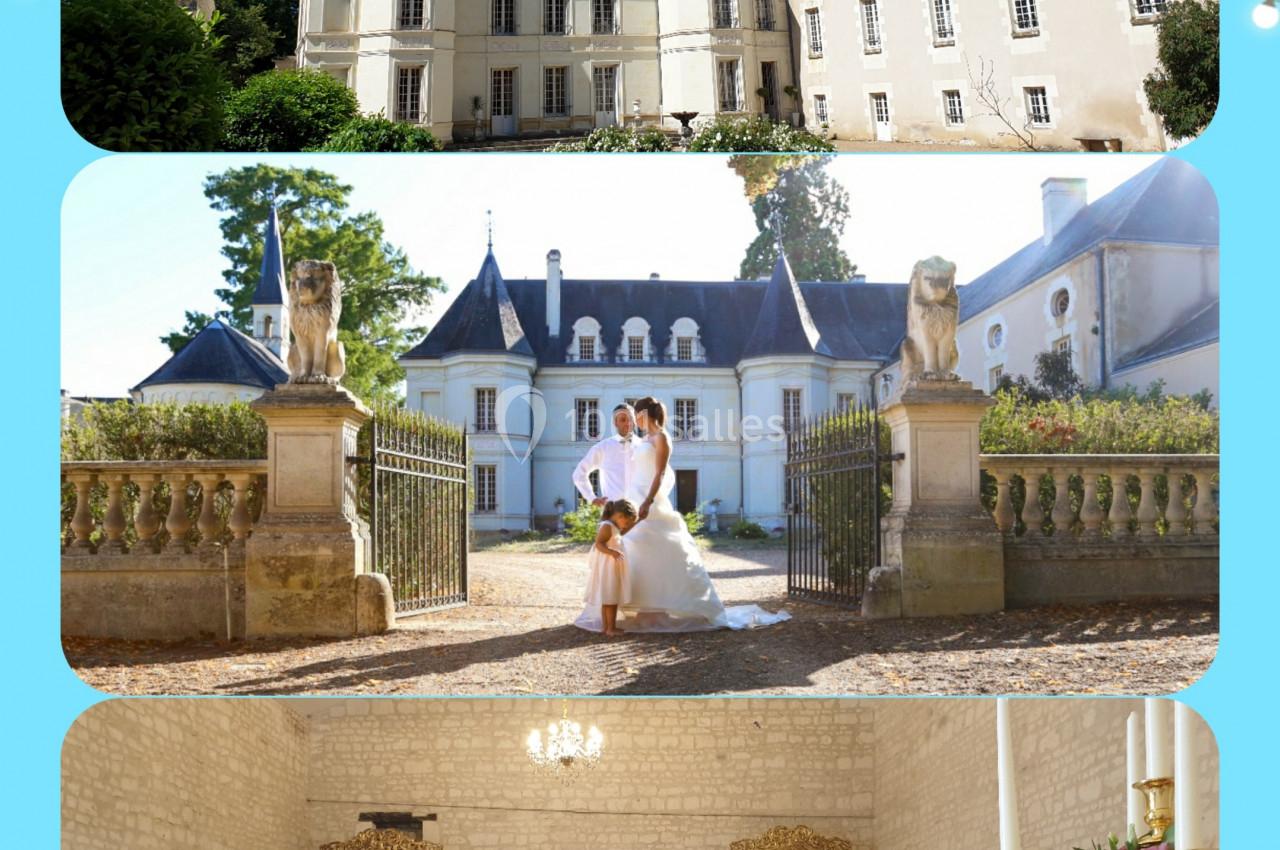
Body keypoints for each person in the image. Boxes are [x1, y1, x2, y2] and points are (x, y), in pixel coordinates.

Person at [619, 396, 791, 632]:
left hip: (650, 500)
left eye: (636, 415)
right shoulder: (644, 440)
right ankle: (646, 607)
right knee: (639, 551)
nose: (635, 421)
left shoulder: (662, 437)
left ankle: (659, 608)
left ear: (643, 414)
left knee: (659, 551)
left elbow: (660, 473)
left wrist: (648, 501)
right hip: (635, 495)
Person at [573, 499, 639, 635]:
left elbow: (622, 532)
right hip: (608, 567)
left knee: (608, 598)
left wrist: (638, 521)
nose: (626, 525)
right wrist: (612, 552)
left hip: (611, 565)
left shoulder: (613, 526)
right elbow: (599, 543)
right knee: (611, 598)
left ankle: (606, 628)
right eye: (627, 522)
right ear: (620, 516)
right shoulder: (607, 526)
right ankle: (611, 628)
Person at [572, 404, 637, 507]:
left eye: (631, 419)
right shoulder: (603, 448)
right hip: (612, 510)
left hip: (639, 510)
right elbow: (579, 474)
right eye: (623, 420)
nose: (628, 423)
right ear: (615, 423)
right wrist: (592, 498)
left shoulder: (643, 446)